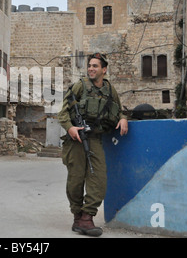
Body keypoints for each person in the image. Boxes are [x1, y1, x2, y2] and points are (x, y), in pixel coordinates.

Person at [58, 53, 128, 237]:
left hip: (95, 139)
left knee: (99, 179)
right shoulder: (80, 86)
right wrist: (70, 128)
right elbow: (63, 114)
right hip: (76, 139)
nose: (91, 68)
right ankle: (77, 216)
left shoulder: (110, 90)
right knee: (75, 180)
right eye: (90, 65)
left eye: (95, 66)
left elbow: (119, 110)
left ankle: (87, 217)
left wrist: (123, 119)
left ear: (104, 70)